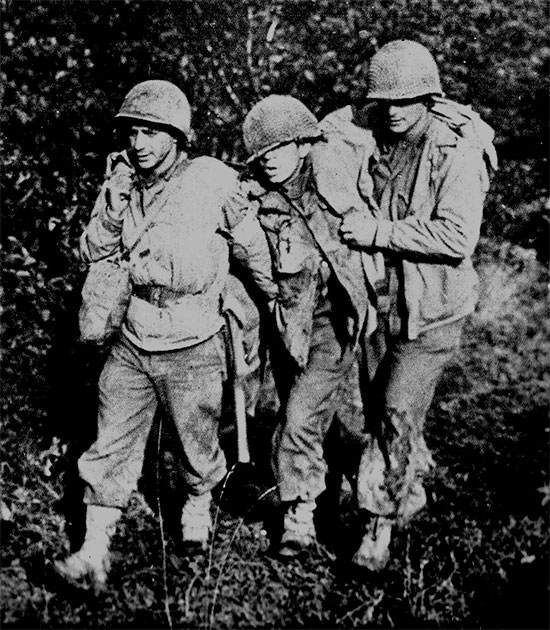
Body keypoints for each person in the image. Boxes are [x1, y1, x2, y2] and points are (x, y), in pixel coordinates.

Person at [54, 80, 277, 589]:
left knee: (197, 441)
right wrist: (113, 202)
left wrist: (272, 301)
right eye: (133, 131)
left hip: (194, 336)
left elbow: (252, 246)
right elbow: (91, 249)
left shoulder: (212, 181)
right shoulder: (122, 181)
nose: (140, 143)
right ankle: (93, 553)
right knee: (109, 441)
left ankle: (197, 505)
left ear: (178, 136)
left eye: (153, 132)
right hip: (134, 335)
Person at [339, 40, 497, 570]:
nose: (396, 111)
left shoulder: (457, 148)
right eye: (386, 102)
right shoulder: (373, 130)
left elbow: (456, 237)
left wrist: (376, 231)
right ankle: (410, 484)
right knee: (379, 405)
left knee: (395, 409)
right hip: (382, 303)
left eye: (409, 100)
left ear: (431, 97)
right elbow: (324, 135)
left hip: (434, 309)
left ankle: (377, 527)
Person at [241, 95, 383, 558]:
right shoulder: (256, 198)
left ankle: (298, 517)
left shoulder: (334, 176)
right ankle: (347, 469)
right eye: (261, 156)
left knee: (299, 417)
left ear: (304, 144)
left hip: (335, 320)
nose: (269, 163)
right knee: (305, 413)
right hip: (289, 322)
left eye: (278, 150)